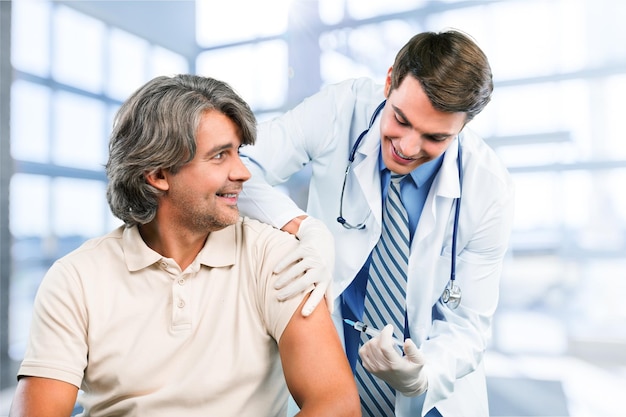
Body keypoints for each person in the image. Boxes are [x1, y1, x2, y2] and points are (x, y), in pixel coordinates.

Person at [9, 74, 361, 417]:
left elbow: (337, 405)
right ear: (159, 174)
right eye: (220, 155)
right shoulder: (75, 279)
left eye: (238, 152)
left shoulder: (273, 257)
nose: (244, 173)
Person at [237, 29, 515, 417]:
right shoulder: (340, 109)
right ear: (389, 82)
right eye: (401, 119)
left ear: (463, 127)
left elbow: (468, 325)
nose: (408, 147)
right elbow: (240, 168)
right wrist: (302, 226)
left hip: (433, 398)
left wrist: (421, 376)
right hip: (333, 373)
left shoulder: (488, 189)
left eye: (435, 137)